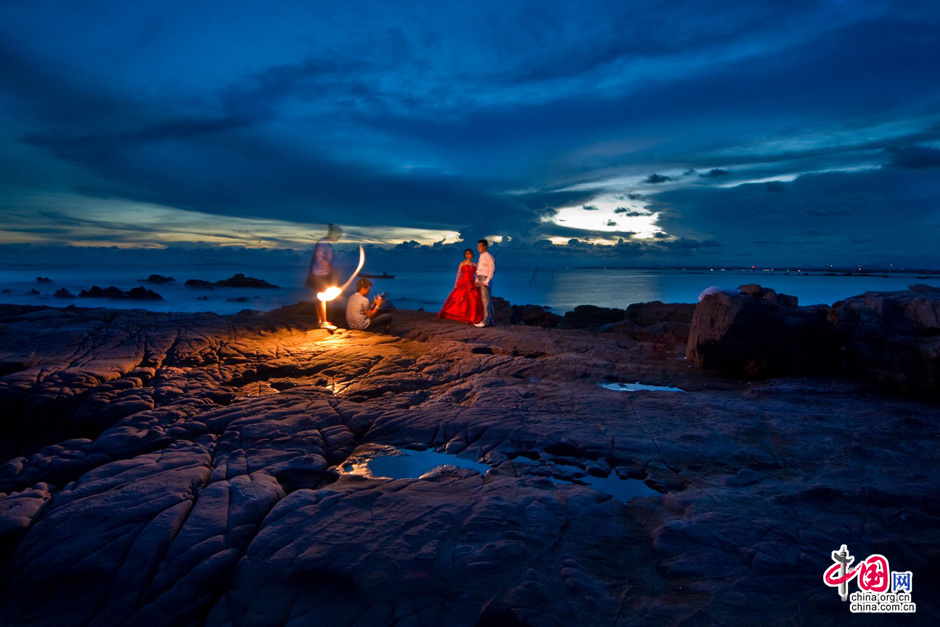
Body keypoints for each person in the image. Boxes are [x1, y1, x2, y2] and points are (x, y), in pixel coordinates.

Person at [307, 223, 342, 330]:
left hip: (323, 273)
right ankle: (323, 322)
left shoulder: (326, 243)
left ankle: (321, 321)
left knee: (321, 297)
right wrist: (329, 266)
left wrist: (330, 269)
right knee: (322, 297)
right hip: (319, 273)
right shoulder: (322, 242)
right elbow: (319, 256)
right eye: (338, 236)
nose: (338, 239)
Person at [437, 248, 484, 324]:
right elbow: (458, 274)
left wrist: (477, 281)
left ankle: (471, 316)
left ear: (472, 255)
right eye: (467, 254)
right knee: (460, 299)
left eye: (470, 253)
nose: (468, 255)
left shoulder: (474, 264)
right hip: (463, 282)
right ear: (465, 255)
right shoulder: (462, 263)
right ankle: (459, 314)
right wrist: (456, 283)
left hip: (471, 283)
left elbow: (477, 274)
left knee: (473, 299)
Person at [474, 238, 495, 327]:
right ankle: (490, 320)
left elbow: (492, 269)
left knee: (485, 300)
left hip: (485, 278)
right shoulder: (481, 256)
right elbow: (480, 269)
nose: (478, 248)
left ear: (485, 247)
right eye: (478, 246)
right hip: (481, 277)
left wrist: (487, 281)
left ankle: (485, 321)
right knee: (486, 300)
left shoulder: (488, 256)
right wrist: (477, 279)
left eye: (480, 246)